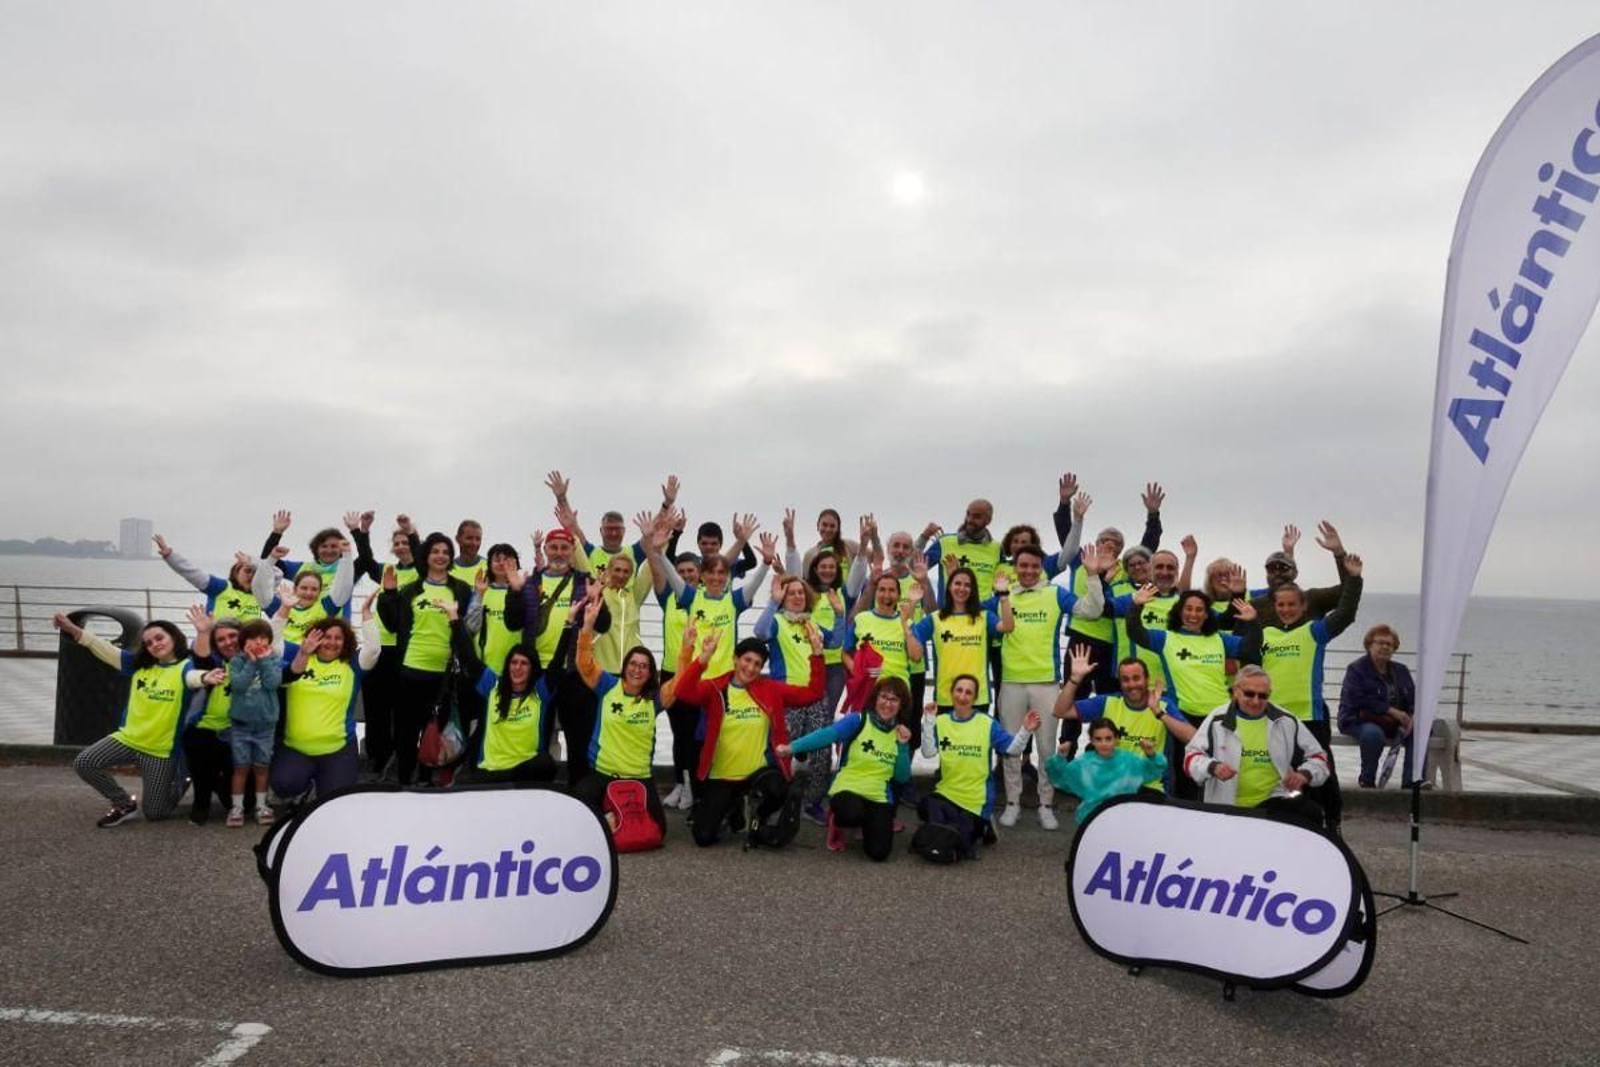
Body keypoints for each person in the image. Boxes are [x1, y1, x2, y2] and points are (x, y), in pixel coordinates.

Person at [1238, 549, 1364, 833]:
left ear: (1303, 605)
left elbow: (1345, 614)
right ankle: (1296, 824)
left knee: (1321, 772)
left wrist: (1354, 579)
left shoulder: (1315, 631)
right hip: (1274, 718)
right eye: (1281, 605)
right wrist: (1248, 623)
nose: (1286, 609)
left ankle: (1332, 821)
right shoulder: (1264, 634)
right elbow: (1247, 656)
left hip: (1309, 716)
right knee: (1285, 775)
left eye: (1292, 604)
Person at [53, 614, 217, 826]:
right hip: (128, 739)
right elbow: (102, 647)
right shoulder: (138, 665)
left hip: (160, 751)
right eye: (148, 643)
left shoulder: (185, 667)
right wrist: (71, 629)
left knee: (155, 813)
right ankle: (123, 803)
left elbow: (194, 677)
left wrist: (206, 676)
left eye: (159, 638)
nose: (154, 644)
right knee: (84, 762)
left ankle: (181, 780)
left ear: (174, 637)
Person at [988, 544, 1107, 830]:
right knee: (1011, 746)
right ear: (1014, 568)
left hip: (1046, 682)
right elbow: (966, 610)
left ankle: (1045, 803)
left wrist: (1092, 576)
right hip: (1012, 681)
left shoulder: (1055, 593)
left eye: (1034, 566)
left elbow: (1091, 610)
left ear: (1041, 567)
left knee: (1045, 748)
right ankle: (1013, 802)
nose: (1028, 571)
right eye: (1023, 565)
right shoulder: (1001, 596)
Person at [672, 628, 825, 847]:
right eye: (747, 660)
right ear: (735, 659)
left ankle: (758, 818)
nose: (751, 668)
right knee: (703, 837)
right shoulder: (716, 688)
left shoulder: (770, 689)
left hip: (757, 775)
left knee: (777, 788)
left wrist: (817, 654)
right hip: (722, 777)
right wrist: (703, 658)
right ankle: (733, 809)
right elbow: (683, 692)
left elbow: (814, 693)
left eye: (757, 664)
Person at [573, 597, 684, 836]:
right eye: (633, 664)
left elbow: (680, 681)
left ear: (650, 672)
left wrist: (687, 647)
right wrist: (587, 626)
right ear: (625, 667)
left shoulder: (655, 699)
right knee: (579, 808)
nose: (637, 669)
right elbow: (584, 662)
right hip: (603, 773)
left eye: (644, 666)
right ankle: (609, 813)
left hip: (638, 777)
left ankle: (612, 816)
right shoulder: (607, 685)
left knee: (658, 830)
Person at [376, 518, 474, 786]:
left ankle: (430, 781)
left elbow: (469, 629)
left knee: (439, 733)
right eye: (435, 551)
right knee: (406, 733)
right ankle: (406, 781)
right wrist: (389, 594)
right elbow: (392, 624)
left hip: (445, 676)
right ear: (426, 556)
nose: (440, 556)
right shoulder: (411, 590)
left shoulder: (461, 590)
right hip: (411, 670)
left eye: (446, 552)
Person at [779, 677, 913, 860]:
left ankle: (866, 823)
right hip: (849, 787)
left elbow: (902, 777)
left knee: (879, 853)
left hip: (878, 795)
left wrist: (904, 747)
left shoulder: (900, 733)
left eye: (894, 699)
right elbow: (827, 735)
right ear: (875, 698)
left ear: (901, 705)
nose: (887, 704)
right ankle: (840, 822)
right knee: (851, 812)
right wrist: (792, 748)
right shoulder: (858, 720)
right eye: (883, 697)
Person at [1181, 666, 1330, 827]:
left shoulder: (1286, 720)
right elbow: (1190, 759)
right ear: (1236, 691)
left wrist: (1304, 774)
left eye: (1263, 696)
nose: (1256, 701)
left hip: (1273, 801)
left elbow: (1320, 757)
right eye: (1249, 694)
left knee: (1312, 813)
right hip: (1226, 806)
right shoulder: (1217, 719)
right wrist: (1212, 767)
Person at [1060, 480, 1163, 697]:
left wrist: (1153, 515)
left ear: (1120, 549)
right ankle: (1069, 733)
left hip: (1110, 642)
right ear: (1096, 542)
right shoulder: (1081, 559)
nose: (1109, 544)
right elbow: (1066, 536)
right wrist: (1065, 503)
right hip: (1081, 636)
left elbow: (1147, 548)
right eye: (1105, 540)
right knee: (1075, 693)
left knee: (1108, 695)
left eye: (1115, 542)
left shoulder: (1125, 569)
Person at [916, 676, 1037, 860]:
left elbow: (1013, 750)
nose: (963, 696)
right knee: (926, 807)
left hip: (976, 799)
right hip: (947, 793)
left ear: (974, 698)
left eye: (968, 692)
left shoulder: (986, 723)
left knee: (961, 844)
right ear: (951, 693)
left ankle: (984, 824)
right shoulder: (941, 721)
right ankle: (952, 827)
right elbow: (928, 752)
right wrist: (929, 720)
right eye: (959, 690)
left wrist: (1026, 730)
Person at [754, 571, 842, 823]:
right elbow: (760, 633)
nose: (796, 596)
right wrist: (772, 601)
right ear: (783, 597)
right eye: (790, 593)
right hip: (787, 698)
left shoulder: (811, 622)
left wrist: (838, 614)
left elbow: (835, 641)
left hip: (816, 696)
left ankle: (812, 801)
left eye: (800, 592)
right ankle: (775, 796)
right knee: (779, 750)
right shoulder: (776, 621)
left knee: (821, 751)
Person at [445, 598, 562, 784]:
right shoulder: (492, 685)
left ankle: (508, 781)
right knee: (461, 783)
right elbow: (468, 657)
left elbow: (558, 660)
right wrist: (454, 617)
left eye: (524, 664)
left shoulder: (541, 691)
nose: (518, 668)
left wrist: (571, 624)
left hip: (525, 769)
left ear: (533, 669)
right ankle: (506, 781)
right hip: (491, 770)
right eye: (514, 663)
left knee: (546, 764)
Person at [271, 612, 382, 805]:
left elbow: (373, 650)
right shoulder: (297, 655)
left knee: (336, 801)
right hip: (296, 747)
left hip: (337, 748)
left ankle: (323, 782)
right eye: (326, 637)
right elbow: (273, 642)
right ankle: (305, 785)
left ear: (345, 641)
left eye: (338, 638)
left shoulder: (353, 664)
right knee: (283, 785)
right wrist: (284, 609)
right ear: (315, 638)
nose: (332, 642)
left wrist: (366, 615)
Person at [1053, 648, 1194, 795]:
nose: (1132, 684)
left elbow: (1192, 737)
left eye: (1136, 678)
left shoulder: (1163, 705)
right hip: (1113, 787)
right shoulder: (1108, 702)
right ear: (1120, 683)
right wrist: (1074, 679)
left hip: (1152, 787)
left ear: (1146, 679)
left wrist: (1158, 712)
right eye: (1126, 680)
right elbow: (1060, 711)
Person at [349, 511, 416, 777]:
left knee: (402, 710)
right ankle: (378, 758)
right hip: (379, 647)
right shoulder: (389, 571)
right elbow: (366, 561)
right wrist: (362, 531)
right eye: (397, 543)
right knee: (377, 709)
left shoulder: (423, 572)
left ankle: (402, 760)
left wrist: (410, 531)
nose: (401, 547)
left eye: (406, 543)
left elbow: (422, 554)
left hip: (408, 650)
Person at [910, 566, 1013, 713]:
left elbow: (1008, 627)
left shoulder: (984, 616)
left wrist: (1003, 596)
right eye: (957, 583)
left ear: (973, 590)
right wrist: (911, 606)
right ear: (949, 587)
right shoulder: (935, 618)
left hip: (977, 697)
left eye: (967, 585)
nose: (962, 588)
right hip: (946, 697)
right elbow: (913, 641)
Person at [1338, 624, 1418, 789]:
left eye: (1389, 644)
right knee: (1373, 735)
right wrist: (1390, 710)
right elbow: (1357, 699)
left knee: (1420, 731)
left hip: (1393, 723)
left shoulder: (1401, 670)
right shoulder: (1356, 669)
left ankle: (1412, 782)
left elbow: (1413, 699)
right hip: (1358, 719)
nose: (1385, 647)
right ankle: (1367, 781)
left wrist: (1412, 716)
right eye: (1380, 642)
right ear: (1369, 645)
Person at [182, 607, 240, 825]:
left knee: (246, 802)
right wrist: (204, 632)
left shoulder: (253, 660)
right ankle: (201, 802)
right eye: (221, 639)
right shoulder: (214, 662)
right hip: (204, 727)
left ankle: (219, 786)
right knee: (198, 745)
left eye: (233, 636)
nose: (228, 642)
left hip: (237, 732)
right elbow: (201, 660)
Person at [1048, 721, 1168, 825]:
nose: (1104, 743)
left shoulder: (1129, 761)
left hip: (1124, 819)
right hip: (1090, 819)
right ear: (1092, 741)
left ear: (1116, 739)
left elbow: (1155, 770)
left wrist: (1151, 755)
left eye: (1108, 738)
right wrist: (1060, 757)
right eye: (1098, 739)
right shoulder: (1083, 763)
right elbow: (1060, 779)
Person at [225, 618, 282, 827]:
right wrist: (250, 662)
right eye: (252, 638)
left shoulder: (274, 659)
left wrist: (264, 661)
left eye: (262, 638)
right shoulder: (237, 661)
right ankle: (237, 807)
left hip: (266, 726)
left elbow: (272, 683)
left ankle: (261, 805)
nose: (258, 642)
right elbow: (238, 685)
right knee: (241, 767)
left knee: (261, 767)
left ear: (269, 640)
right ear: (243, 641)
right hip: (240, 725)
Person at [1248, 521, 1353, 627]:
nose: (1277, 572)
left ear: (1295, 573)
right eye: (1271, 568)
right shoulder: (1255, 606)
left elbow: (1349, 591)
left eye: (1284, 568)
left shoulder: (1313, 598)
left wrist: (1339, 554)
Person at [251, 539, 354, 646]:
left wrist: (346, 554)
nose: (309, 593)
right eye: (304, 588)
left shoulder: (326, 607)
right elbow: (259, 588)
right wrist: (271, 559)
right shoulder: (281, 606)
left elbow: (344, 586)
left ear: (320, 592)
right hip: (281, 658)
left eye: (314, 589)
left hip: (309, 658)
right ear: (295, 589)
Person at [154, 535, 264, 621]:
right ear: (236, 573)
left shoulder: (260, 595)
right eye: (248, 570)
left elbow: (273, 575)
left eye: (255, 573)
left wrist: (252, 562)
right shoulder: (221, 587)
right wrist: (170, 555)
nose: (251, 576)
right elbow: (193, 573)